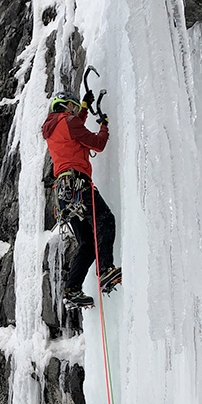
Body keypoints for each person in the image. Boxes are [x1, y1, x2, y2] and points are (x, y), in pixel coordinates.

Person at [41, 89, 121, 309]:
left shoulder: (53, 128)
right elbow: (97, 144)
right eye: (74, 107)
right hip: (78, 184)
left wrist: (84, 108)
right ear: (66, 106)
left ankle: (72, 289)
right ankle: (106, 270)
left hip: (64, 194)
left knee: (87, 243)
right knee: (105, 219)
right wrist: (104, 126)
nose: (75, 111)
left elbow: (73, 131)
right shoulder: (69, 122)